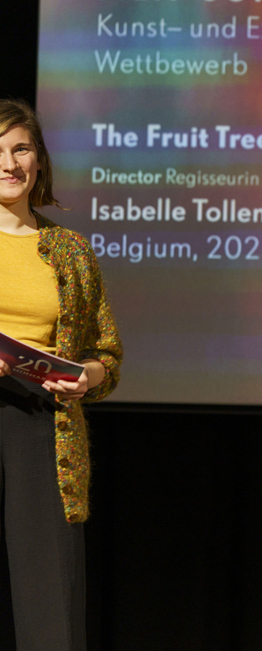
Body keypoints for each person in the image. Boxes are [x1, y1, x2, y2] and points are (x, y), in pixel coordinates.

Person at [0, 98, 122, 650]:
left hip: (42, 426)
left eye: (21, 149)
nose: (9, 164)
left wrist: (87, 376)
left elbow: (106, 354)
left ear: (39, 160)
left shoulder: (70, 252)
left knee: (49, 600)